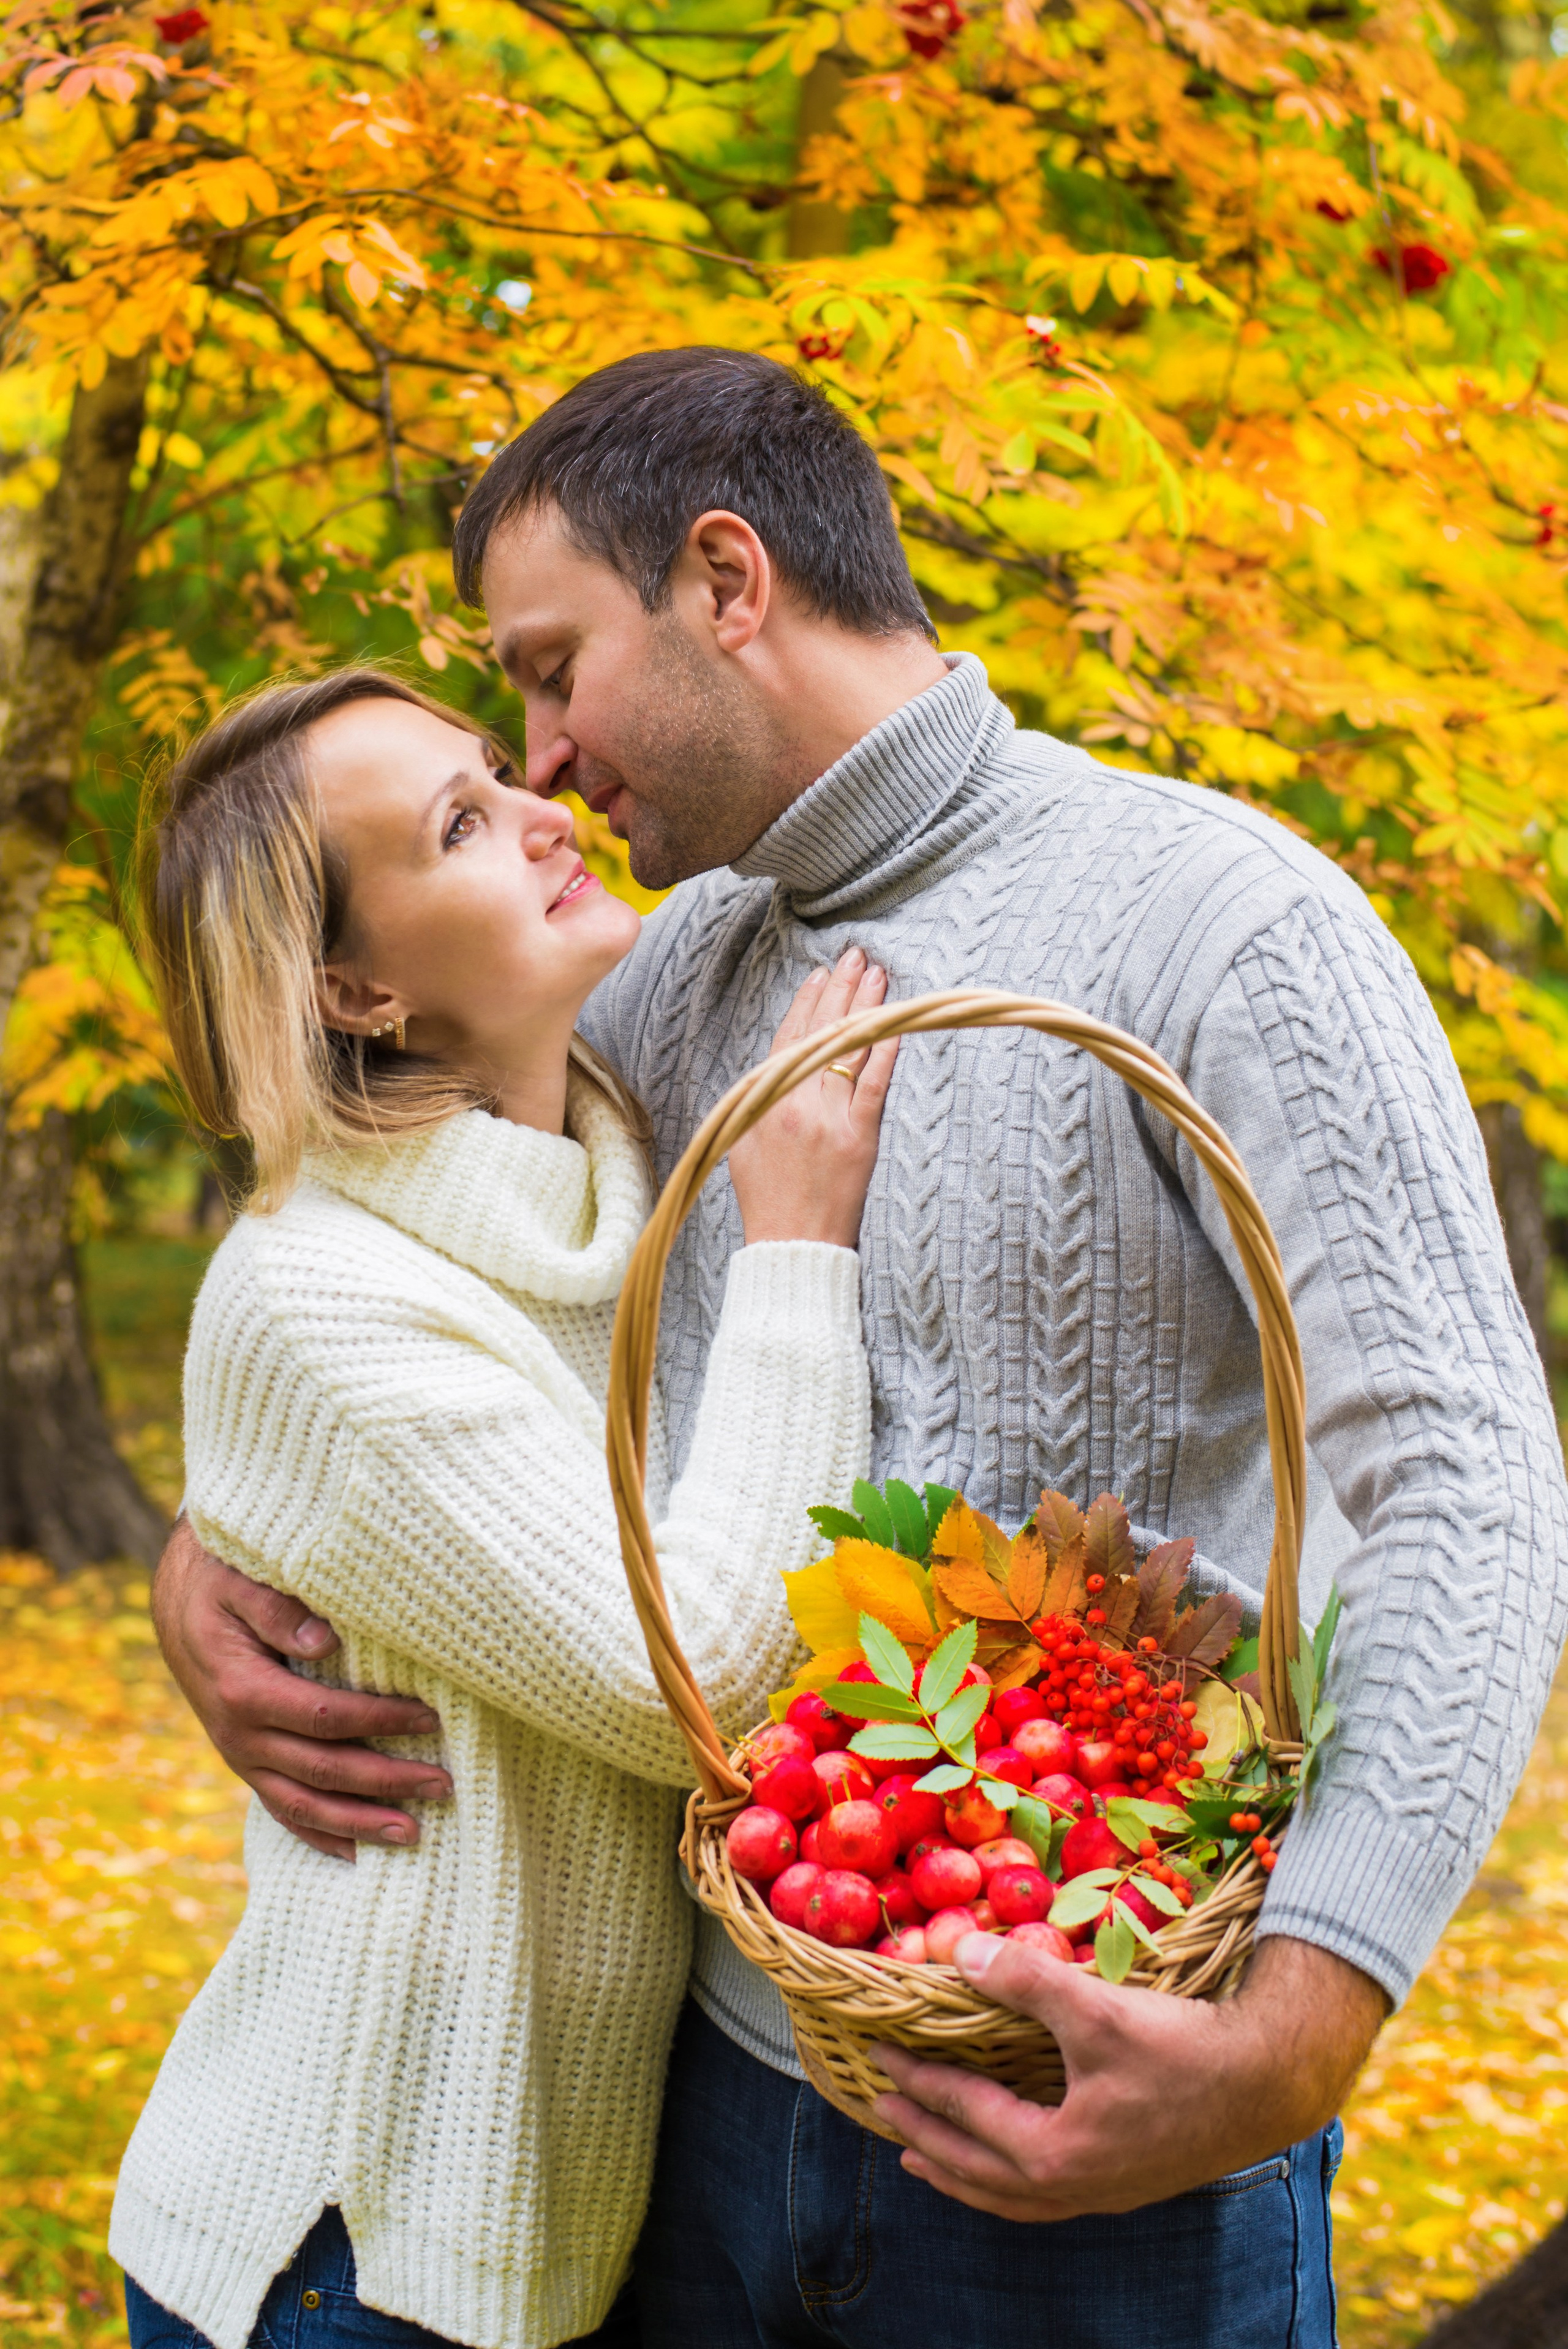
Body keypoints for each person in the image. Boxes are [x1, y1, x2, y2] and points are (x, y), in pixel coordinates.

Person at [153, 349, 1568, 2348]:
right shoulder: (663, 975)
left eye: (555, 669)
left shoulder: (1227, 921)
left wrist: (1302, 2020)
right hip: (690, 2104)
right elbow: (387, 1255)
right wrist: (215, 1560)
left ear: (728, 580)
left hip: (1097, 2111)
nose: (542, 756)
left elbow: (1470, 1475)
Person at [110, 666, 900, 2349]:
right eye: (460, 824)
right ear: (358, 987)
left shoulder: (600, 1158)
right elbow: (691, 1679)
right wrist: (798, 1254)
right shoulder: (321, 1295)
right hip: (351, 2243)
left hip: (552, 2243)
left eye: (494, 768)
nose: (548, 807)